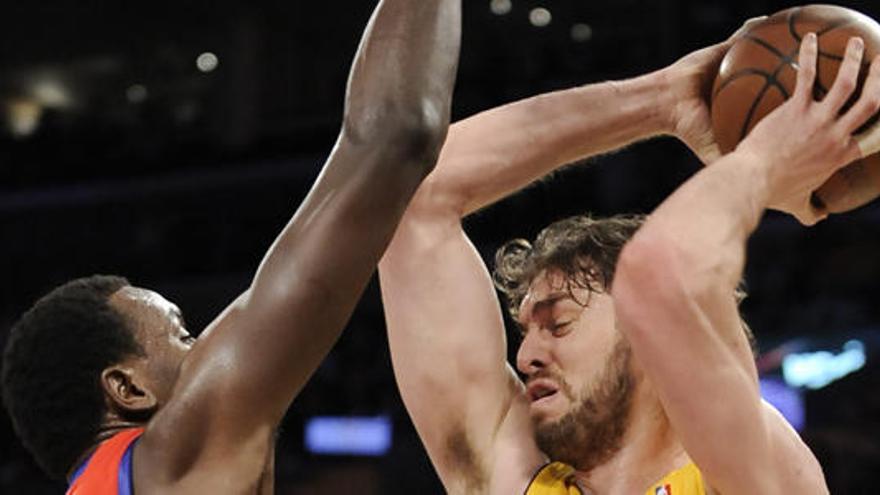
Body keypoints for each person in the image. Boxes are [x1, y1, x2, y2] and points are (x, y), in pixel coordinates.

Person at [379, 24, 880, 495]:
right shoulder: (509, 476)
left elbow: (660, 275)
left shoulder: (749, 469)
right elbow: (406, 198)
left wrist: (767, 162)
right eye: (528, 330)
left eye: (558, 324)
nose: (525, 356)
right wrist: (664, 100)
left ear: (644, 338)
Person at [1, 0, 461, 493]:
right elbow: (395, 135)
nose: (206, 347)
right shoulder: (171, 458)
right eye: (184, 337)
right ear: (128, 388)